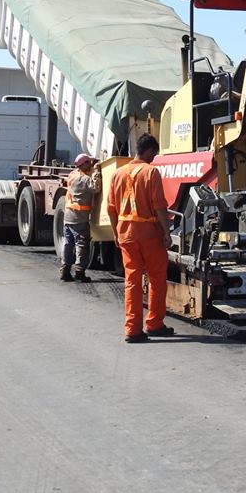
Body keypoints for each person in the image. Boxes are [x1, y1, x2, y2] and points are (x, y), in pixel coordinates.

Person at [106, 133, 174, 343]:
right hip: (148, 234)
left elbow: (110, 208)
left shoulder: (117, 174)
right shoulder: (151, 172)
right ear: (149, 151)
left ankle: (132, 329)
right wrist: (167, 232)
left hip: (126, 232)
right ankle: (154, 324)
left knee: (132, 282)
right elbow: (159, 206)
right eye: (154, 153)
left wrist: (116, 233)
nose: (154, 157)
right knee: (156, 280)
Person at [60, 153, 102, 283]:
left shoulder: (73, 174)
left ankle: (65, 270)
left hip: (68, 216)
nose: (90, 164)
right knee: (82, 245)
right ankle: (79, 272)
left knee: (68, 244)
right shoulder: (84, 179)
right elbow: (96, 188)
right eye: (88, 162)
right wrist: (96, 171)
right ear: (83, 164)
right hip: (79, 218)